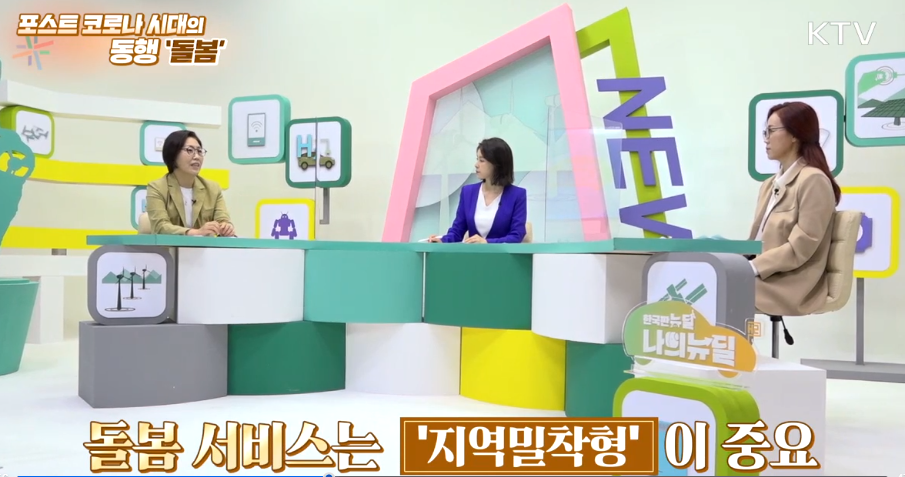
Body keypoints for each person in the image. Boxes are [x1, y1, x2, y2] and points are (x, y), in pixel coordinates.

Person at [747, 101, 841, 316]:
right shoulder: (769, 184)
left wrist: (752, 267)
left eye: (772, 131)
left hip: (791, 283)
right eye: (765, 132)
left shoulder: (813, 180)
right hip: (764, 273)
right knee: (709, 276)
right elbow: (757, 242)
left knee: (714, 287)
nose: (766, 139)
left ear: (795, 135)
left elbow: (800, 248)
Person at [428, 138, 527, 244]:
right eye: (477, 159)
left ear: (497, 164)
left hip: (502, 254)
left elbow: (517, 236)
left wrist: (487, 243)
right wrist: (441, 240)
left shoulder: (517, 195)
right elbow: (457, 232)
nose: (476, 165)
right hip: (472, 253)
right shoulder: (468, 192)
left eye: (482, 160)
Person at [145, 130, 236, 237]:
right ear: (173, 154)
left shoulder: (213, 189)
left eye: (199, 151)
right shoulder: (157, 188)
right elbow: (160, 227)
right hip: (170, 247)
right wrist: (195, 232)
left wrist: (226, 227)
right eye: (190, 150)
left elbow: (223, 219)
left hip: (204, 247)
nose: (197, 156)